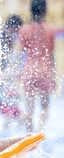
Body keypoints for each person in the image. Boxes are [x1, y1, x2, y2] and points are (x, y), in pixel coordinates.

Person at [18, 0, 56, 132]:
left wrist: (18, 72)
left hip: (29, 70)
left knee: (29, 105)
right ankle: (40, 132)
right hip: (45, 71)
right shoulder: (51, 29)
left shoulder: (24, 30)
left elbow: (21, 54)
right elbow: (51, 54)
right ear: (45, 11)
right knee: (45, 105)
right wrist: (54, 75)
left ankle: (29, 134)